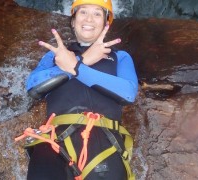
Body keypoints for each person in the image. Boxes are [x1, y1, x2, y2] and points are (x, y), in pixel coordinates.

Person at [24, 0, 138, 179]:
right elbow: (33, 88)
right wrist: (83, 60)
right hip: (55, 140)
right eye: (83, 12)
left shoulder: (120, 56)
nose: (89, 19)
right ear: (73, 20)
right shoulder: (54, 54)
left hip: (105, 141)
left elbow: (128, 93)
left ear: (106, 23)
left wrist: (77, 68)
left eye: (97, 14)